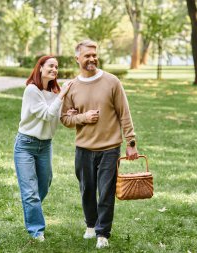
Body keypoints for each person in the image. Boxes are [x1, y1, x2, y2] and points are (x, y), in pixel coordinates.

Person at [60, 40, 138, 249]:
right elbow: (65, 119)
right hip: (83, 148)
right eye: (87, 55)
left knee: (105, 191)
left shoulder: (112, 82)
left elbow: (124, 113)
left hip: (110, 148)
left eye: (94, 54)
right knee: (87, 190)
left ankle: (103, 233)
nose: (92, 59)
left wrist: (131, 142)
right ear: (77, 59)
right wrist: (83, 117)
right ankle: (91, 225)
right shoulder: (71, 87)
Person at [14, 55, 72, 242]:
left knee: (44, 184)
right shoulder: (32, 90)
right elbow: (47, 114)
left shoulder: (55, 92)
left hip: (45, 145)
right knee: (31, 192)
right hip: (26, 145)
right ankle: (36, 230)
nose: (54, 69)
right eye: (50, 66)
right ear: (40, 67)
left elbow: (55, 115)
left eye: (56, 67)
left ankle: (31, 207)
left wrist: (67, 112)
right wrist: (62, 95)